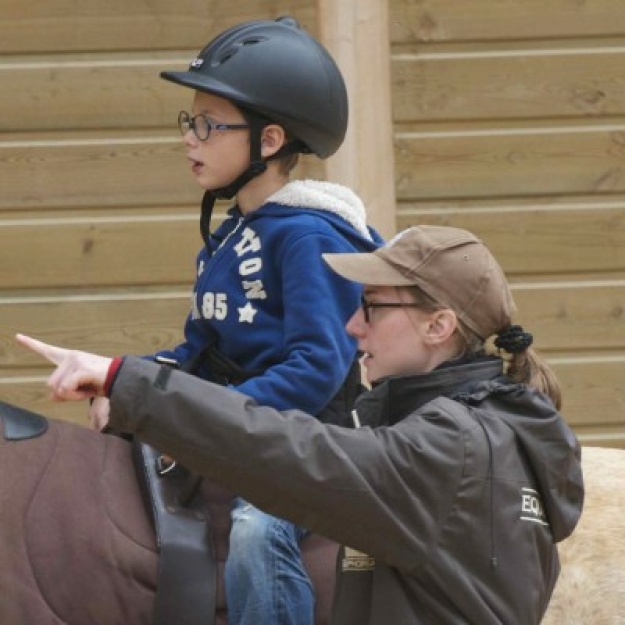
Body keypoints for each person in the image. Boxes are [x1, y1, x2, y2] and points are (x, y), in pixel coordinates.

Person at [17, 224, 584, 625]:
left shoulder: (452, 449)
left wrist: (130, 382)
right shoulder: (489, 440)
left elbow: (285, 451)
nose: (352, 326)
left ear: (438, 325)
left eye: (373, 307)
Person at [87, 15, 381, 625]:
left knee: (255, 528)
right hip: (248, 425)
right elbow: (199, 350)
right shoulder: (228, 239)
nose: (190, 139)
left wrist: (216, 418)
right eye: (190, 123)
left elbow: (317, 366)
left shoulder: (306, 238)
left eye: (208, 126)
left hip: (313, 435)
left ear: (269, 141)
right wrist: (126, 381)